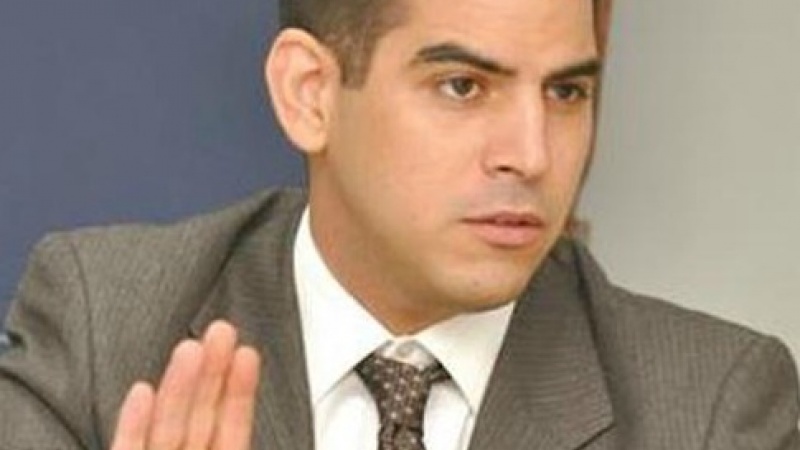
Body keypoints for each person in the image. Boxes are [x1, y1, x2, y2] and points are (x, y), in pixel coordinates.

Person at [0, 0, 798, 448]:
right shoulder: (105, 328)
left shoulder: (710, 407)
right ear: (310, 94)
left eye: (566, 93)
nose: (531, 155)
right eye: (463, 87)